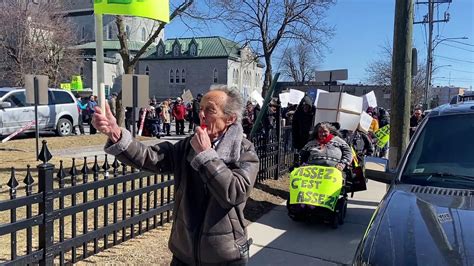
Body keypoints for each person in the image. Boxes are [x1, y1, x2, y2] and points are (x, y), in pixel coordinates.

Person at [92, 86, 258, 265]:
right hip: (184, 253)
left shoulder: (244, 150)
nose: (201, 115)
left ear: (230, 118)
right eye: (200, 109)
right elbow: (152, 157)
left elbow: (234, 192)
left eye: (210, 110)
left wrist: (207, 156)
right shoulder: (188, 145)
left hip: (224, 256)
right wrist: (115, 133)